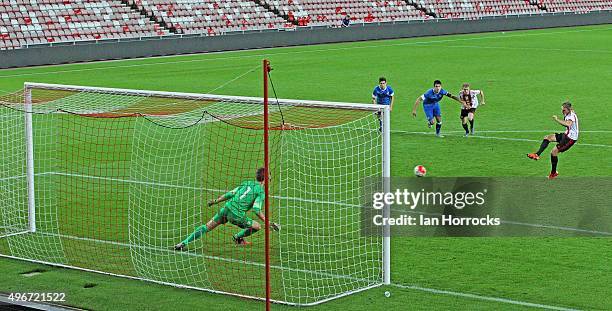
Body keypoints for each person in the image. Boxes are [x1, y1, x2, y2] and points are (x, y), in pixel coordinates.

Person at [174, 167, 279, 250]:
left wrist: (216, 201)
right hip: (236, 215)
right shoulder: (260, 191)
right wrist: (268, 222)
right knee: (257, 226)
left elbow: (231, 193)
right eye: (269, 176)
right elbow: (256, 209)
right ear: (265, 178)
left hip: (226, 208)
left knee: (207, 227)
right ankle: (237, 238)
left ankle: (184, 243)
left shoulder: (247, 183)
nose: (270, 179)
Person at [526, 102, 579, 179]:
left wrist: (557, 119)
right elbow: (572, 112)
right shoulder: (569, 112)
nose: (562, 111)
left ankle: (553, 173)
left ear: (568, 110)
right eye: (562, 110)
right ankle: (537, 154)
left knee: (553, 152)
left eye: (564, 110)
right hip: (566, 134)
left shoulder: (571, 116)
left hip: (570, 139)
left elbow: (568, 124)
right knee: (548, 137)